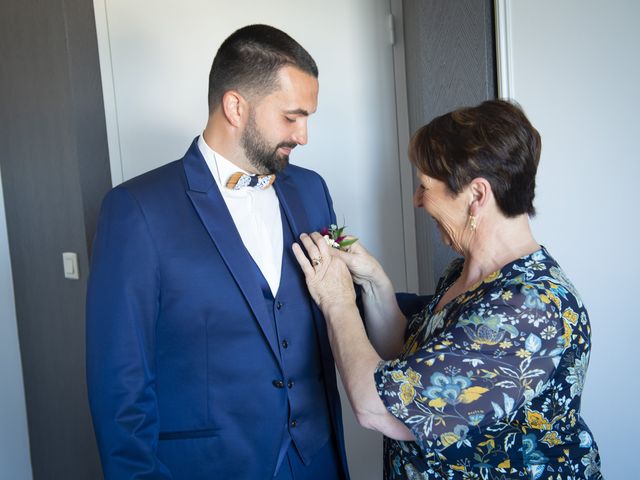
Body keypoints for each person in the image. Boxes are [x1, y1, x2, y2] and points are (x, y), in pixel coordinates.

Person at [86, 24, 349, 480]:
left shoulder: (311, 191)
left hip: (315, 461)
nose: (304, 136)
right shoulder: (136, 210)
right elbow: (120, 379)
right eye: (291, 117)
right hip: (208, 467)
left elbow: (345, 301)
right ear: (235, 106)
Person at [293, 100, 602, 479]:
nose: (417, 200)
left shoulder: (530, 310)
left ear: (476, 196)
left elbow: (378, 407)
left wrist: (337, 301)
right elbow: (408, 367)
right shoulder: (465, 271)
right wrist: (375, 282)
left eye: (425, 186)